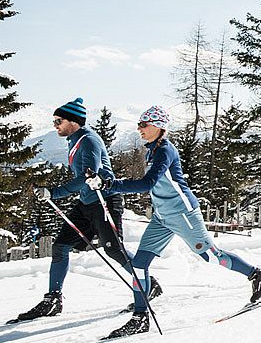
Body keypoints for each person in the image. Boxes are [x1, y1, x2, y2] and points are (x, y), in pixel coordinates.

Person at [94, 104, 261, 338]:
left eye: (143, 125)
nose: (140, 129)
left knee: (210, 256)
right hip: (162, 217)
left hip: (183, 214)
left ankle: (256, 274)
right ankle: (139, 317)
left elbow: (147, 184)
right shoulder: (151, 150)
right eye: (139, 124)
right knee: (139, 264)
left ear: (158, 126)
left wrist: (111, 184)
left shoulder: (165, 150)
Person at [13, 97, 158, 321]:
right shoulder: (74, 139)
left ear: (73, 121)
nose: (55, 125)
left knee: (114, 251)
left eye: (58, 120)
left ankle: (148, 285)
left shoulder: (88, 140)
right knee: (61, 246)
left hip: (104, 201)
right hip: (86, 203)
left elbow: (87, 176)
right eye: (54, 120)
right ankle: (53, 300)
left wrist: (55, 192)